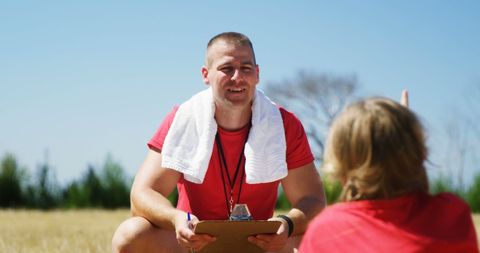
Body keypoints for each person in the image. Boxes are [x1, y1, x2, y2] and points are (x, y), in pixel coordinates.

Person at [112, 32, 326, 253]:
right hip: (194, 244)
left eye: (246, 68)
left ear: (257, 74)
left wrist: (287, 224)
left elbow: (313, 200)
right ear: (206, 74)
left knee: (326, 238)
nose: (237, 77)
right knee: (131, 234)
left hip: (259, 244)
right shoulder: (182, 118)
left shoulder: (284, 124)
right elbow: (141, 194)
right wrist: (176, 218)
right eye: (227, 68)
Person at [299, 95, 479, 253]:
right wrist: (403, 136)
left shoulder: (327, 231)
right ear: (419, 154)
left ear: (342, 164)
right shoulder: (452, 214)